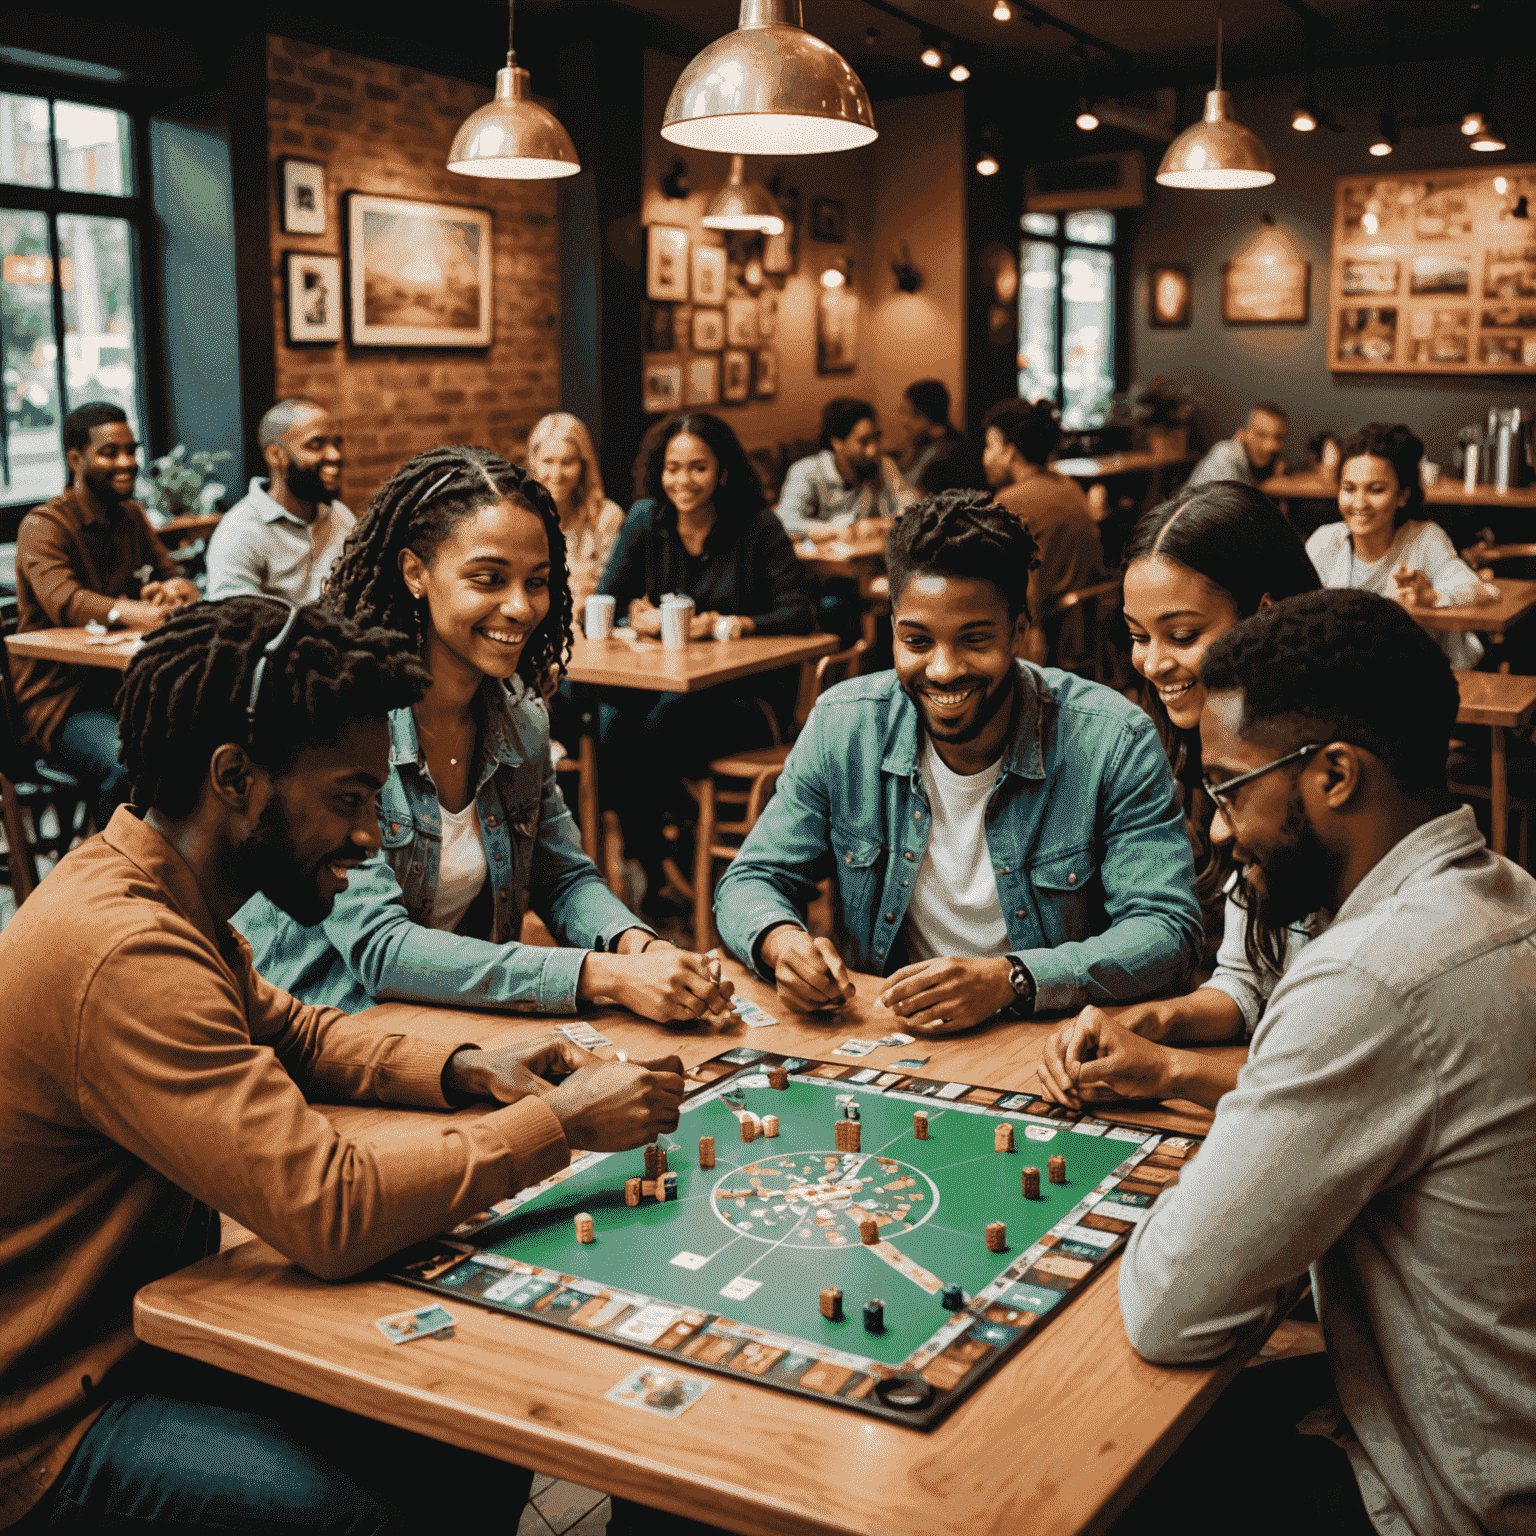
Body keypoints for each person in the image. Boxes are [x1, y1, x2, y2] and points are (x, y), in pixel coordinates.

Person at [0, 595, 686, 1533]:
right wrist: (560, 1127)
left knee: (471, 1428)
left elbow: (301, 1035)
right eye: (348, 799)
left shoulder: (155, 888)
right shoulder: (126, 951)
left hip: (142, 1337)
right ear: (235, 777)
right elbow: (332, 1212)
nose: (371, 837)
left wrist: (473, 1067)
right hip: (54, 1419)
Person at [1113, 589, 1536, 1536]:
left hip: (1452, 1497)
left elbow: (1173, 1308)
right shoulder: (1508, 892)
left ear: (1335, 775)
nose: (1219, 829)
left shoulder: (1365, 976)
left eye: (1229, 789)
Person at [235, 446, 734, 1027]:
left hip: (453, 1025)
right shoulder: (334, 727)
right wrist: (603, 976)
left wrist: (641, 949)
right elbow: (380, 949)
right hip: (321, 1035)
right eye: (488, 579)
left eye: (538, 582)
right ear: (415, 573)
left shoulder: (520, 717)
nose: (521, 608)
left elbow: (564, 875)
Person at [714, 489, 1201, 1029]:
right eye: (917, 641)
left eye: (973, 640)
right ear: (892, 627)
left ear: (1021, 632)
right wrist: (783, 946)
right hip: (887, 1041)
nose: (943, 670)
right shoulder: (843, 725)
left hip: (1047, 1040)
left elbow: (1166, 931)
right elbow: (751, 880)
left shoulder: (1113, 740)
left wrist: (1011, 980)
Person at [1036, 482, 1322, 1111]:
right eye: (1139, 636)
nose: (1154, 662)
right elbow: (1250, 981)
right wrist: (1158, 1020)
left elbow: (1339, 1084)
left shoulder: (1322, 783)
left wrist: (1169, 1068)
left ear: (1266, 616)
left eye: (1184, 634)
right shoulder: (1204, 748)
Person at [596, 413, 816, 914]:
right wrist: (639, 618)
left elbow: (799, 611)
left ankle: (678, 856)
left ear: (722, 472)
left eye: (697, 468)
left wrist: (723, 624)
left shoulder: (756, 526)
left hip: (748, 700)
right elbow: (607, 599)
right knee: (611, 722)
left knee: (661, 725)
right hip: (667, 689)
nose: (683, 481)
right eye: (673, 468)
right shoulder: (646, 520)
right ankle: (652, 865)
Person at [11, 402, 200, 821]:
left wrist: (175, 590)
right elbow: (66, 601)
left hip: (127, 690)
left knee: (212, 742)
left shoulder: (131, 517)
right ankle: (112, 878)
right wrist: (136, 612)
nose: (128, 462)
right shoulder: (43, 526)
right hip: (62, 702)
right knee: (126, 764)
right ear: (76, 459)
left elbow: (171, 575)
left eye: (132, 450)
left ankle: (178, 866)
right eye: (111, 452)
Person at [1306, 421, 1495, 670]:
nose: (1359, 503)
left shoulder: (1424, 539)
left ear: (1403, 496)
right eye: (1349, 488)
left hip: (1414, 685)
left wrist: (1431, 597)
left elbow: (1481, 591)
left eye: (1376, 490)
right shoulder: (1325, 541)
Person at [980, 397, 1108, 671]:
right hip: (1085, 633)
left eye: (990, 445)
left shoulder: (1012, 501)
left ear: (1010, 451)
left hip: (1044, 636)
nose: (985, 457)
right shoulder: (1069, 486)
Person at [205, 397, 354, 603]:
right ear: (276, 456)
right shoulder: (239, 534)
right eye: (316, 444)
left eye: (337, 443)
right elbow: (236, 623)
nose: (335, 455)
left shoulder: (341, 516)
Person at [526, 411, 626, 618]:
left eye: (567, 462)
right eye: (548, 461)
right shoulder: (520, 519)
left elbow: (614, 590)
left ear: (583, 465)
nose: (556, 474)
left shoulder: (607, 516)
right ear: (533, 463)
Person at [775, 397, 916, 539]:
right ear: (837, 442)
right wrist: (837, 529)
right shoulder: (806, 471)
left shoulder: (883, 465)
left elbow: (910, 504)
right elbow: (787, 523)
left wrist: (893, 521)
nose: (873, 450)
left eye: (876, 438)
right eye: (864, 441)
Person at [897, 379, 981, 495]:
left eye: (908, 413)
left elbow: (909, 495)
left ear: (925, 415)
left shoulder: (945, 454)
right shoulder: (926, 444)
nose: (904, 421)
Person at [1184, 401, 1288, 489]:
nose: (1270, 446)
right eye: (1260, 435)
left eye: (1279, 437)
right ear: (1242, 433)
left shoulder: (1264, 466)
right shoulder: (1225, 455)